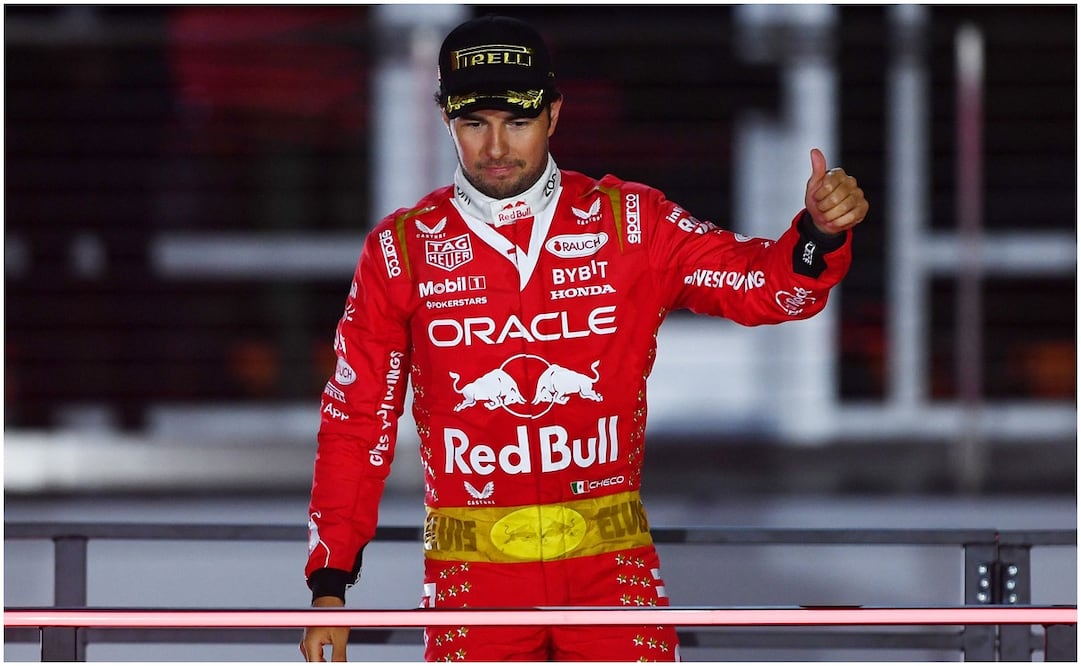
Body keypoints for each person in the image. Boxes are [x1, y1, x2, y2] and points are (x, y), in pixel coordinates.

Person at [301, 13, 868, 663]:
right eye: (472, 123)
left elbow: (760, 287)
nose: (494, 147)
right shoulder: (401, 249)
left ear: (553, 115)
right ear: (444, 120)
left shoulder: (630, 221)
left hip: (609, 569)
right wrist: (330, 583)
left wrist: (818, 236)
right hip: (472, 580)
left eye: (515, 122)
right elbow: (355, 419)